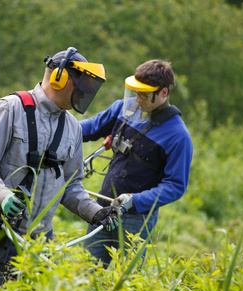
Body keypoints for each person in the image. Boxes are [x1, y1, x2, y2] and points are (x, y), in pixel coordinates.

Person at [0, 47, 119, 285]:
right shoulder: (9, 109)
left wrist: (96, 212)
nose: (84, 94)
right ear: (59, 77)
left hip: (36, 249)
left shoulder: (73, 128)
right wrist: (1, 196)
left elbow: (71, 186)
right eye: (81, 86)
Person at [80, 59, 193, 267]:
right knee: (86, 272)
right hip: (103, 209)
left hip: (137, 220)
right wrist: (60, 128)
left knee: (128, 281)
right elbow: (91, 127)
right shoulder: (124, 108)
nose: (137, 98)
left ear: (164, 93)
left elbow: (176, 186)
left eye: (144, 94)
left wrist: (135, 200)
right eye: (136, 91)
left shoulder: (178, 136)